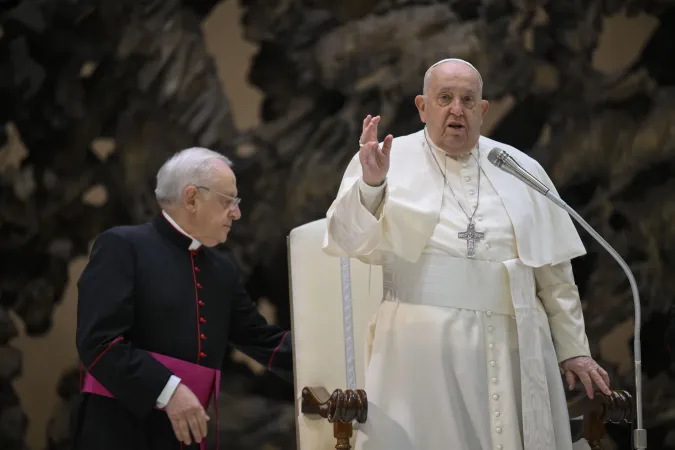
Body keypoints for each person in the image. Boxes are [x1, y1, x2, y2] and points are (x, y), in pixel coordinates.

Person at [322, 58, 611, 450]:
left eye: (468, 99)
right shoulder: (386, 160)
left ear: (483, 109)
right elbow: (347, 239)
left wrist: (574, 349)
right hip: (422, 350)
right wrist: (372, 186)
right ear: (422, 106)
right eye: (445, 98)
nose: (457, 109)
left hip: (516, 348)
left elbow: (554, 273)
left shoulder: (519, 168)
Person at [74, 147, 293, 450]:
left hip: (187, 435)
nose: (237, 212)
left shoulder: (221, 269)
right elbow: (99, 343)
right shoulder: (123, 246)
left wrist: (342, 356)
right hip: (122, 431)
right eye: (227, 200)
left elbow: (264, 342)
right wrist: (169, 390)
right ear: (191, 198)